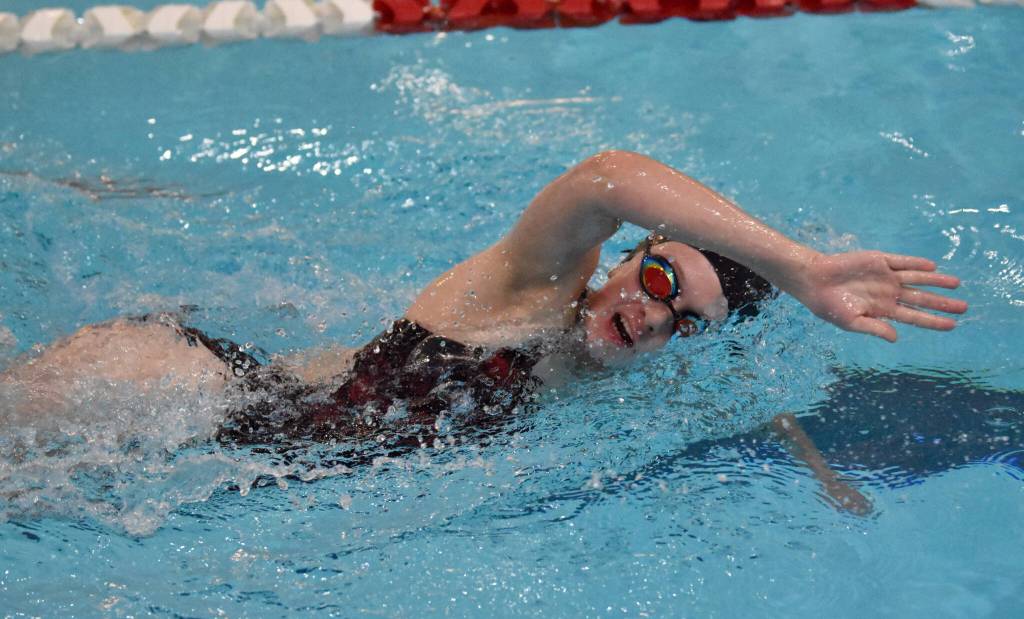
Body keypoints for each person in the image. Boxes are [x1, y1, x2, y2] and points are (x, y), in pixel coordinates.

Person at [0, 151, 968, 510]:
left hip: (212, 451)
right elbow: (605, 175)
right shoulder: (527, 293)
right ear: (630, 255)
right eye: (659, 276)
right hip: (165, 386)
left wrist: (815, 464)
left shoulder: (618, 366)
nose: (652, 310)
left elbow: (742, 392)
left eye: (684, 318)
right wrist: (799, 267)